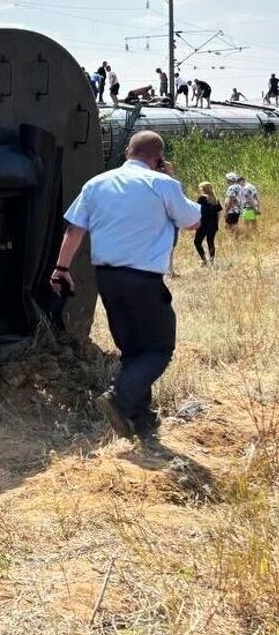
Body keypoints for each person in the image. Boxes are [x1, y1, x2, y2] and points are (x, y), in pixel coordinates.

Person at [51, 131, 200, 441]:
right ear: (158, 159)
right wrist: (173, 180)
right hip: (143, 279)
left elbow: (74, 230)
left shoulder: (97, 184)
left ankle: (139, 418)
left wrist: (61, 268)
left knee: (133, 348)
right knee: (160, 348)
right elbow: (192, 222)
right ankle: (119, 398)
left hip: (106, 278)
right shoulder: (163, 184)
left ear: (126, 153)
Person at [194, 182, 221, 266]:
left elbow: (197, 210)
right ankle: (212, 261)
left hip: (203, 224)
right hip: (213, 224)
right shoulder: (215, 199)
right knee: (210, 242)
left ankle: (204, 260)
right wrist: (216, 222)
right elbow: (218, 213)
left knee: (197, 242)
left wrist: (196, 222)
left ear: (203, 189)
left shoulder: (202, 198)